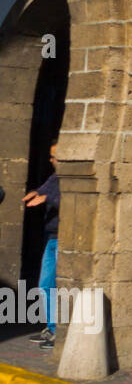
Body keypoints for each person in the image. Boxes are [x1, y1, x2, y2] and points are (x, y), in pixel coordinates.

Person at [21, 142, 59, 349]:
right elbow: (44, 189)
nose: (51, 160)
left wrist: (47, 198)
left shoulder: (68, 177)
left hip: (64, 238)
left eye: (54, 156)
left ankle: (58, 331)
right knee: (45, 285)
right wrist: (35, 193)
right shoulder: (55, 177)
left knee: (58, 285)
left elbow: (68, 197)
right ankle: (51, 328)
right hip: (52, 237)